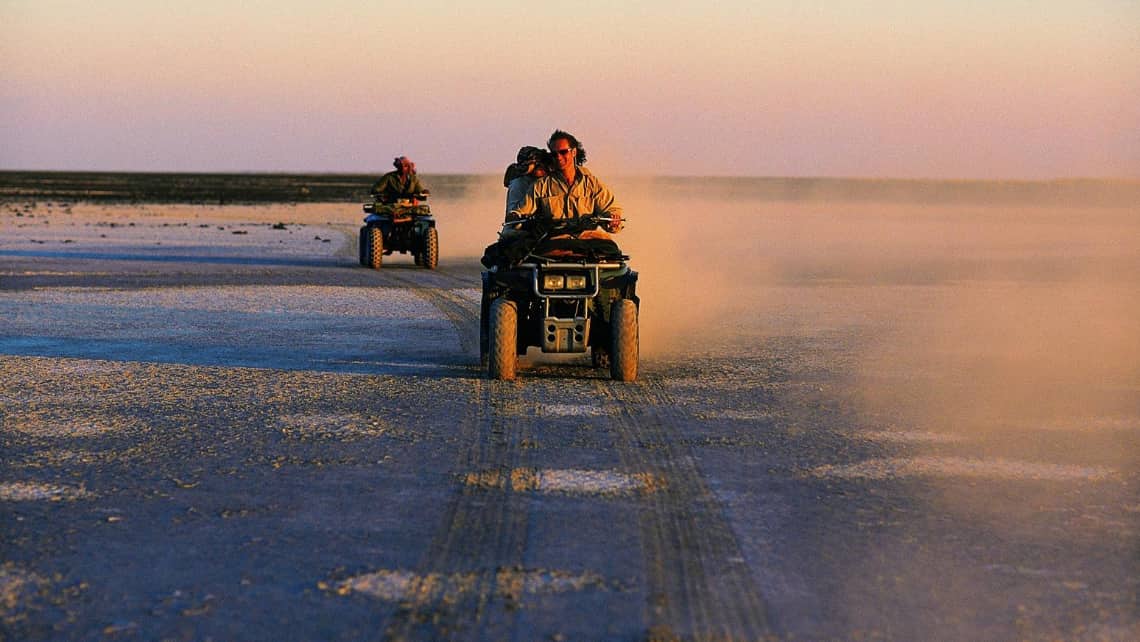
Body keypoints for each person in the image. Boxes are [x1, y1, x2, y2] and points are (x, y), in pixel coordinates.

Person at [507, 130, 623, 239]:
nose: (558, 157)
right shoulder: (540, 185)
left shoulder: (592, 184)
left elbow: (611, 210)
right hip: (551, 241)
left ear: (574, 152)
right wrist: (515, 217)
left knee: (610, 248)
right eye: (554, 154)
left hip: (587, 240)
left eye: (563, 152)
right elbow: (522, 211)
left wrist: (613, 221)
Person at [503, 146, 550, 222]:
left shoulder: (549, 181)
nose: (543, 170)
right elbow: (513, 216)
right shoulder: (519, 184)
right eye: (540, 167)